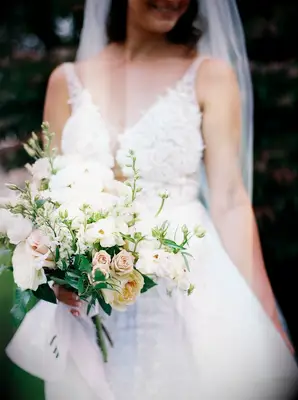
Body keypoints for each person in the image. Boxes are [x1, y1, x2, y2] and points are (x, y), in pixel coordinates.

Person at [7, 0, 298, 399]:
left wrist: (266, 313)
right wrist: (59, 270)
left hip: (188, 285)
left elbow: (230, 200)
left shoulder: (210, 77)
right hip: (91, 294)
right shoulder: (66, 81)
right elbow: (49, 195)